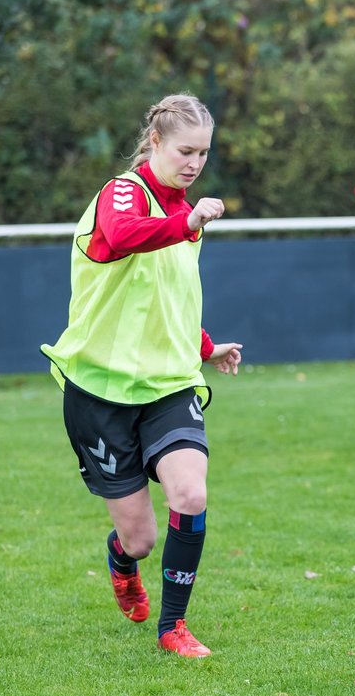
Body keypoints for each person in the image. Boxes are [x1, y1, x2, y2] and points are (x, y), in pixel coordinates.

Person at [41, 94, 242, 658]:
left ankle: (173, 627)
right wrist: (189, 220)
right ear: (154, 141)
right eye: (185, 150)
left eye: (203, 152)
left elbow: (167, 299)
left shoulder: (185, 216)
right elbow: (127, 235)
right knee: (142, 538)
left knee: (190, 493)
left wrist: (205, 347)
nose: (195, 162)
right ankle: (122, 559)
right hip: (99, 391)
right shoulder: (124, 192)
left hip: (168, 386)